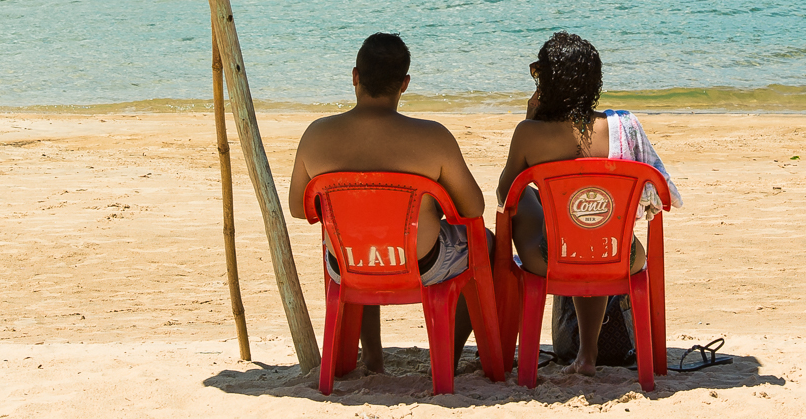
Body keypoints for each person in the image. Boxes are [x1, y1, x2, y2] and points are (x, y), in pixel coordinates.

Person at [288, 32, 490, 375]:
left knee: (363, 230)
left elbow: (297, 208)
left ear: (355, 76)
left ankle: (373, 358)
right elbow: (473, 209)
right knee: (488, 241)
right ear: (405, 83)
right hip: (421, 265)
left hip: (348, 263)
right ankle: (448, 359)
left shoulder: (316, 136)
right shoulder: (432, 138)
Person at [494, 31, 682, 375]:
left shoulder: (529, 133)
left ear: (546, 81)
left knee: (530, 201)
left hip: (554, 258)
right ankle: (588, 355)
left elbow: (506, 197)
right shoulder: (623, 125)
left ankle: (542, 351)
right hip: (618, 254)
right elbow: (659, 198)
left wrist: (531, 119)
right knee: (592, 228)